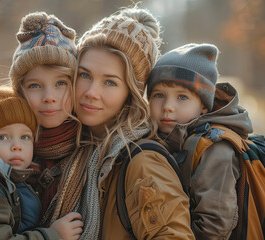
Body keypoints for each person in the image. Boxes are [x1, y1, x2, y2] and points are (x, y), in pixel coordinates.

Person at [51, 5, 195, 240]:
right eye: (85, 75)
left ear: (131, 93)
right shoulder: (77, 150)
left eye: (110, 82)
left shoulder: (142, 161)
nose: (91, 92)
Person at [147, 43, 253, 239]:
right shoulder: (162, 139)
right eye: (159, 95)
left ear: (204, 105)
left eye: (182, 97)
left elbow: (215, 226)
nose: (168, 106)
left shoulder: (214, 148)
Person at [0, 86, 83, 240]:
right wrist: (52, 235)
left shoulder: (13, 181)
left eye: (25, 137)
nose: (17, 146)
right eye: (3, 137)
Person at [8, 11, 84, 225]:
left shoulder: (95, 147)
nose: (49, 98)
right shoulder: (1, 149)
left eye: (61, 83)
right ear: (20, 91)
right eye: (35, 85)